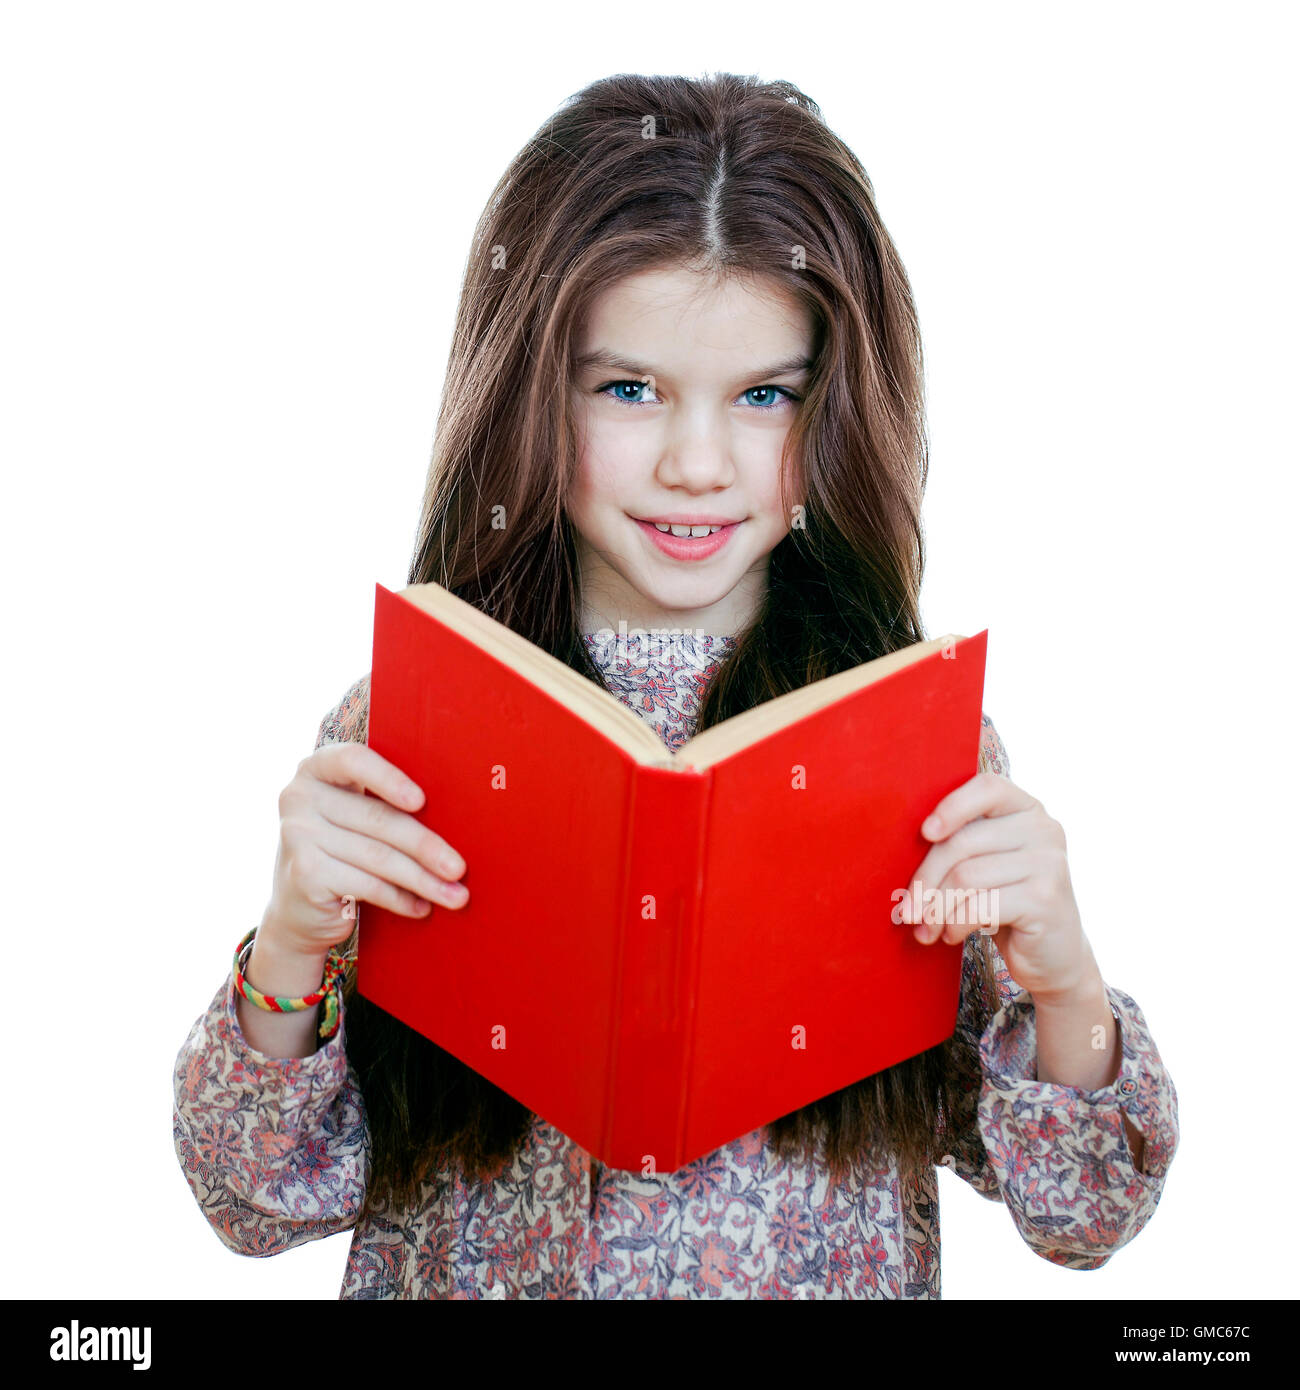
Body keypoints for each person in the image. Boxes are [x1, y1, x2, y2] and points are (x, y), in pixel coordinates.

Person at [173, 72, 1179, 1299]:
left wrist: (1061, 978)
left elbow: (1079, 1215)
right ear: (531, 390)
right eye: (629, 388)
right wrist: (291, 944)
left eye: (765, 396)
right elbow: (257, 1202)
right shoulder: (410, 723)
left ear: (837, 410)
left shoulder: (913, 747)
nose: (697, 464)